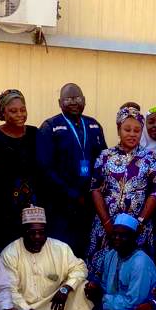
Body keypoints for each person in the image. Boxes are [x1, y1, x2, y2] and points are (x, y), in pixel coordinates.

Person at [1, 206, 93, 310]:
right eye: (32, 233)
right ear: (23, 232)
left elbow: (80, 268)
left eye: (41, 233)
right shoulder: (10, 254)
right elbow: (9, 291)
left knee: (84, 287)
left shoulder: (60, 248)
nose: (37, 238)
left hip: (54, 304)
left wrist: (65, 288)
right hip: (25, 309)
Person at [36, 83, 108, 257]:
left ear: (85, 101)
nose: (74, 102)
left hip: (90, 201)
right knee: (63, 250)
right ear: (60, 102)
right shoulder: (50, 127)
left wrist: (95, 190)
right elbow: (45, 168)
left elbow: (104, 161)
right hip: (61, 203)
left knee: (87, 247)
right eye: (68, 99)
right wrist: (71, 194)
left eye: (78, 98)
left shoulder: (94, 126)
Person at [88, 105, 156, 268]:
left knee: (135, 271)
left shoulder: (150, 158)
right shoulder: (105, 156)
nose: (132, 134)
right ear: (118, 129)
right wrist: (107, 223)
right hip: (107, 226)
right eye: (127, 129)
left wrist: (139, 223)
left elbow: (155, 192)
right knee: (101, 271)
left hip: (137, 228)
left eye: (137, 130)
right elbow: (95, 189)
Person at [0, 89, 38, 250]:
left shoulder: (34, 134)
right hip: (3, 208)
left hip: (32, 204)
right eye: (13, 111)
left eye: (22, 109)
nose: (20, 114)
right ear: (3, 113)